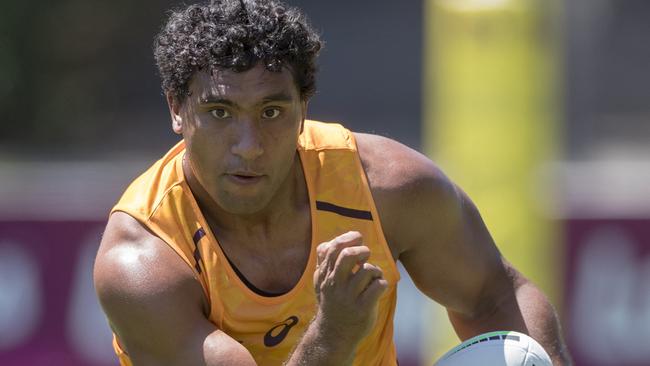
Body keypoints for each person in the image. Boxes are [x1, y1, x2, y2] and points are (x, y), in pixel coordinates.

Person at [93, 0, 572, 365]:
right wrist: (336, 332)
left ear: (304, 108)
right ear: (176, 109)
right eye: (219, 113)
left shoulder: (385, 185)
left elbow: (495, 295)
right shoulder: (141, 259)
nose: (249, 146)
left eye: (272, 112)